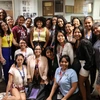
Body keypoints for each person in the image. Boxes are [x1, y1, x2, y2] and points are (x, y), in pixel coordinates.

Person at [73, 26, 94, 100]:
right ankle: (88, 96)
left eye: (79, 32)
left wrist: (86, 67)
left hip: (85, 65)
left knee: (80, 83)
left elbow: (89, 56)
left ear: (82, 33)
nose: (77, 34)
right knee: (86, 81)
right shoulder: (78, 41)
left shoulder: (84, 42)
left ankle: (84, 98)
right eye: (75, 32)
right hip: (82, 64)